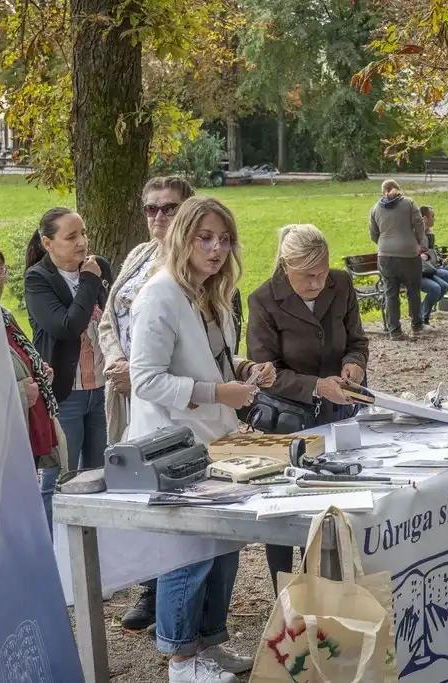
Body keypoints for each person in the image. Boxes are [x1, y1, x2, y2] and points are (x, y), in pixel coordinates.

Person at [128, 196, 276, 683]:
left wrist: (245, 370)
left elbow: (211, 360)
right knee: (188, 556)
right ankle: (180, 660)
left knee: (222, 549)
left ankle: (206, 646)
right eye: (205, 238)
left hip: (215, 441)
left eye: (224, 239)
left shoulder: (211, 291)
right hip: (172, 447)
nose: (216, 249)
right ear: (182, 237)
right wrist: (217, 391)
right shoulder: (160, 295)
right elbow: (145, 379)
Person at [246, 224, 369, 594]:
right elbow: (264, 372)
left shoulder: (342, 284)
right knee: (286, 510)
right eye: (308, 276)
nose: (318, 282)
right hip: (288, 419)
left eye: (322, 272)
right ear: (286, 267)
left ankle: (327, 586)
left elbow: (358, 340)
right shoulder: (263, 300)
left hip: (338, 413)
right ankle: (284, 591)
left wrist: (354, 363)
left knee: (334, 503)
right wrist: (316, 386)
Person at [97, 176, 194, 630]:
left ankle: (174, 604)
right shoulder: (138, 256)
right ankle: (151, 588)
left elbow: (194, 345)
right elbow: (108, 322)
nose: (158, 217)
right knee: (140, 488)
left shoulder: (196, 265)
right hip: (128, 394)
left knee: (171, 487)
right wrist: (118, 363)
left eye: (169, 208)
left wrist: (139, 374)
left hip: (167, 397)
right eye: (151, 209)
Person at [24, 208, 113, 531]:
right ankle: (54, 558)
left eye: (84, 233)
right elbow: (66, 326)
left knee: (98, 476)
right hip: (66, 394)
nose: (82, 242)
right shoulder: (38, 279)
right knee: (60, 479)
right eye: (71, 236)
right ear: (48, 243)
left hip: (101, 389)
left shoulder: (99, 267)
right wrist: (89, 281)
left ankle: (94, 560)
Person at [0, 242, 66, 474]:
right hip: (0, 443)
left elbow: (18, 358)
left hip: (27, 431)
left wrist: (36, 370)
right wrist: (21, 392)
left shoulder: (3, 315)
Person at [368, 179, 426, 340]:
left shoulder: (375, 208)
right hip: (409, 254)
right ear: (398, 189)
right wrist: (417, 241)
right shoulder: (409, 203)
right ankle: (417, 326)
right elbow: (419, 224)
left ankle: (395, 331)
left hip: (385, 256)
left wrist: (384, 244)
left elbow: (373, 233)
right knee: (413, 290)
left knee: (390, 293)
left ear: (383, 191)